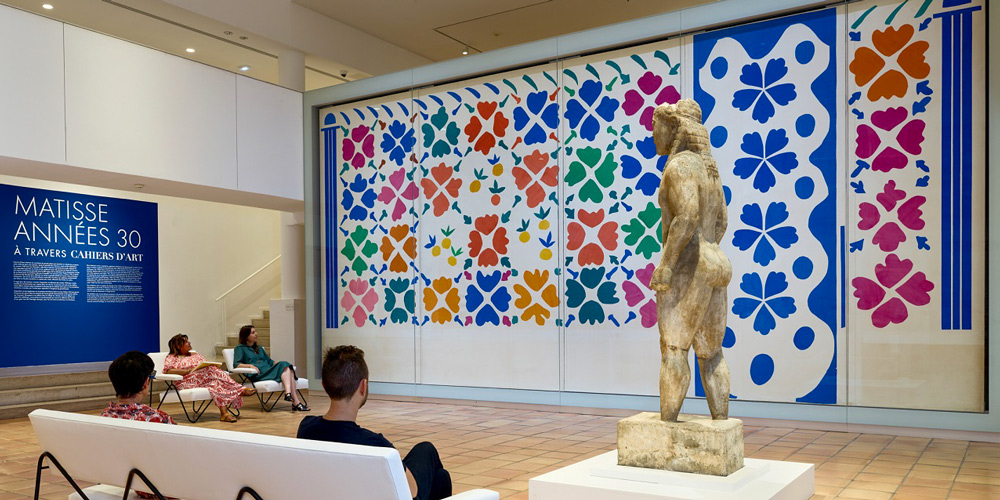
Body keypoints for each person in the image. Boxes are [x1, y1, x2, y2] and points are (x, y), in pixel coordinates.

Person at [649, 99, 733, 422]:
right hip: (716, 260)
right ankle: (721, 421)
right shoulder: (711, 170)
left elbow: (686, 216)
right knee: (711, 355)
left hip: (691, 263)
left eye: (656, 125)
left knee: (673, 349)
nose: (653, 133)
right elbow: (722, 221)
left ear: (672, 127)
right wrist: (708, 247)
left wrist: (668, 264)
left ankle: (667, 429)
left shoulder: (680, 166)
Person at [297, 345, 451, 500]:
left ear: (324, 385)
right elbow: (410, 491)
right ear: (363, 386)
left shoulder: (306, 427)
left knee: (441, 478)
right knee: (427, 450)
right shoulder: (376, 445)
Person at [102, 351, 175, 499]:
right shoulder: (157, 418)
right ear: (145, 383)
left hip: (124, 480)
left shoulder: (105, 416)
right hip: (157, 488)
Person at [163, 333, 255, 422]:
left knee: (216, 383)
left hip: (205, 379)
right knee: (211, 370)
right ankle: (240, 389)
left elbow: (205, 364)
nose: (190, 342)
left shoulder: (195, 355)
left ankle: (224, 414)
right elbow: (168, 371)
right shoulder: (172, 357)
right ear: (179, 346)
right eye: (186, 342)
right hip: (186, 381)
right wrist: (188, 371)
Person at [233, 324, 309, 411]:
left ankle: (292, 398)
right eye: (253, 332)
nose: (256, 334)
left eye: (256, 331)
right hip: (258, 374)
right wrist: (250, 365)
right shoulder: (240, 348)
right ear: (246, 336)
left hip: (268, 370)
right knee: (286, 367)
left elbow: (269, 361)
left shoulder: (259, 348)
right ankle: (293, 400)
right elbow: (236, 364)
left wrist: (283, 365)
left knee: (287, 367)